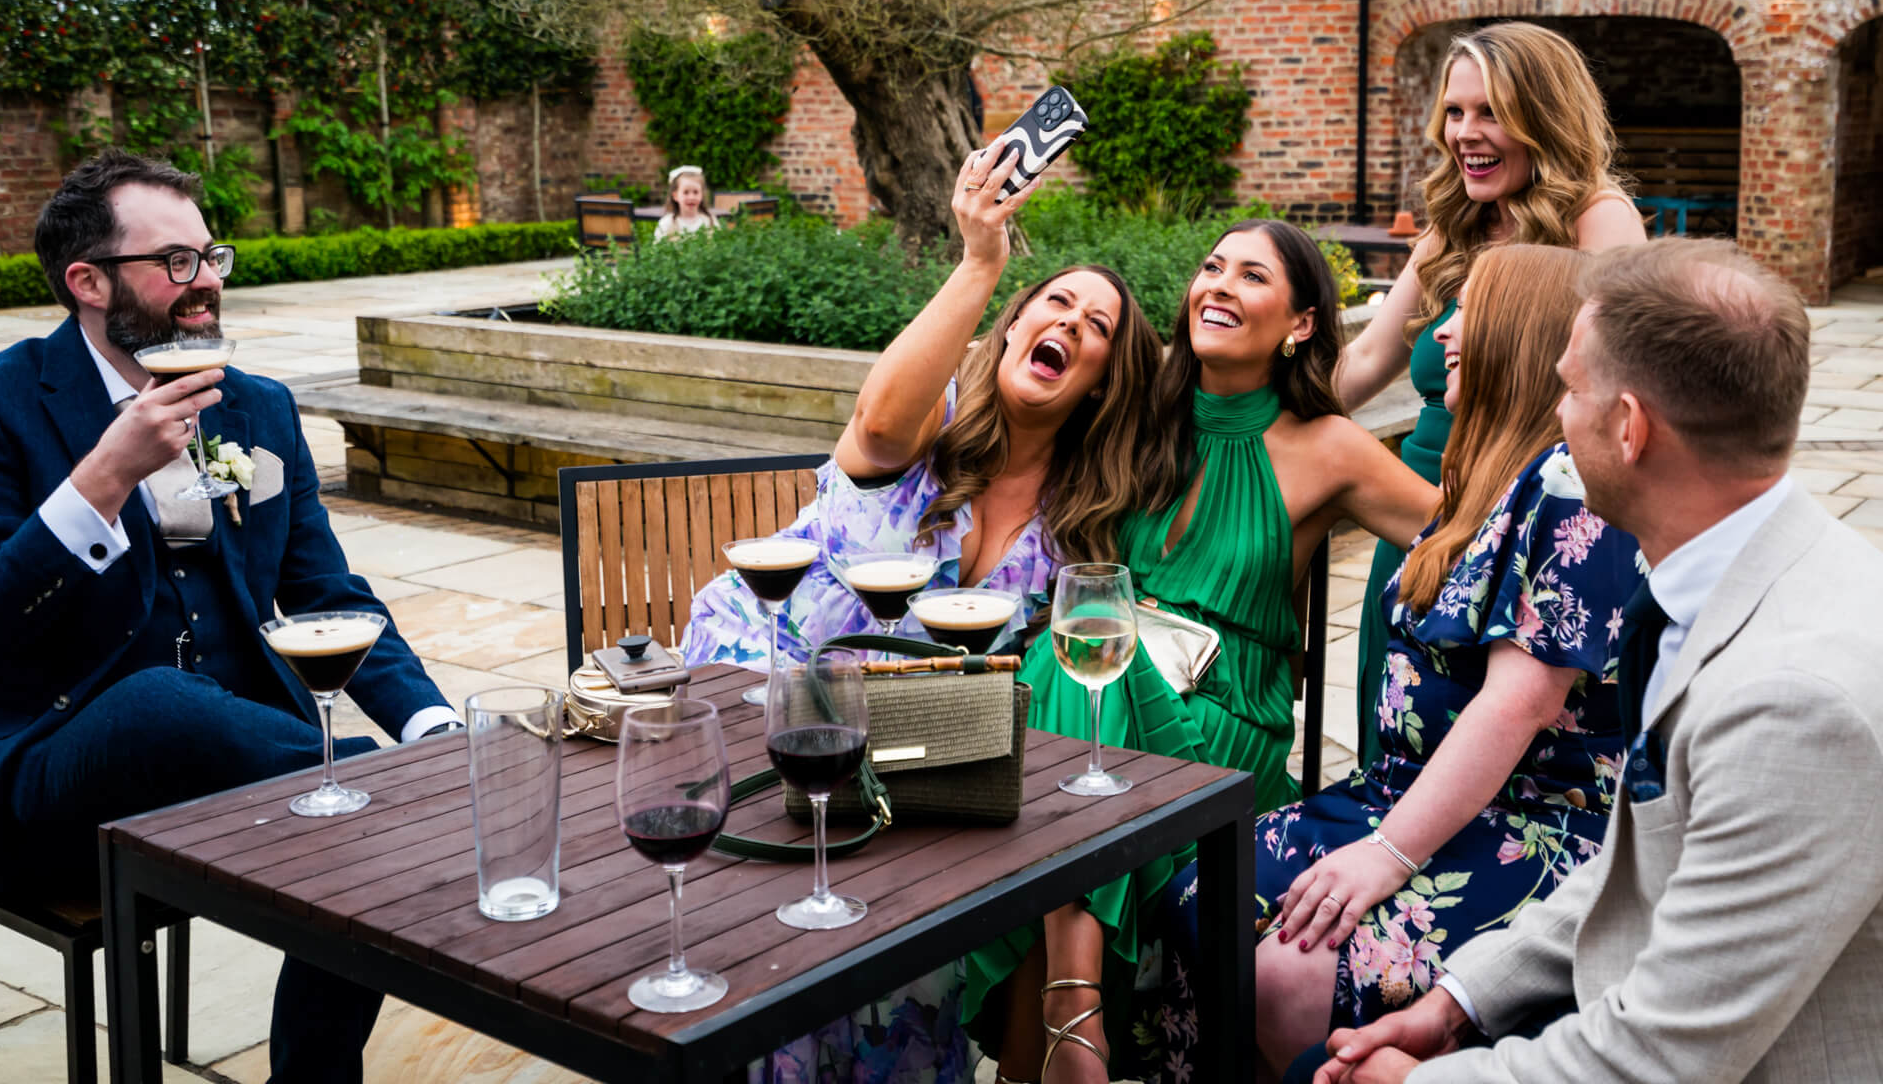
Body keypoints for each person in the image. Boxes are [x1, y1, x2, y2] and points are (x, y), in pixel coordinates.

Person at [1319, 238, 1883, 1084]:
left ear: (1629, 428)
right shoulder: (1717, 573)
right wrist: (1461, 999)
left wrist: (1415, 1083)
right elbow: (1643, 858)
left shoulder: (1795, 706)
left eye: (1570, 389)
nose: (1557, 413)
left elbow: (1663, 1053)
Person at [0, 151, 460, 1083]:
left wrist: (430, 724)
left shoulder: (257, 407)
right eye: (176, 262)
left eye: (211, 256)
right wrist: (104, 476)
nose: (207, 282)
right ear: (88, 282)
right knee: (161, 702)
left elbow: (328, 594)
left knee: (364, 834)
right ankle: (384, 785)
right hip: (58, 768)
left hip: (246, 762)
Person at [682, 143, 1165, 1083]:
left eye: (1097, 324)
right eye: (1054, 303)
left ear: (1103, 378)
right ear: (1011, 327)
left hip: (905, 760)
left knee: (903, 963)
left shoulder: (1080, 523)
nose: (1069, 321)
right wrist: (981, 260)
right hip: (760, 700)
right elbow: (873, 426)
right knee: (770, 954)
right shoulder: (927, 422)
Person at [1151, 244, 1643, 1082]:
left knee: (1289, 973)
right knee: (1200, 895)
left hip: (1531, 823)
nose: (1442, 334)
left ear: (1520, 337)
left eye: (1467, 314)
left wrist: (1387, 854)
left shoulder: (1569, 489)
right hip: (1401, 790)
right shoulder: (1487, 476)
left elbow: (1517, 704)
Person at [965, 220, 1440, 1084]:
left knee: (1081, 670)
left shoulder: (1328, 447)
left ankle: (1066, 1019)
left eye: (1251, 276)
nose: (1217, 284)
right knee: (1083, 667)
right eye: (1212, 267)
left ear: (1300, 322)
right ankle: (1075, 1012)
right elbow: (1012, 388)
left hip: (1225, 728)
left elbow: (1473, 547)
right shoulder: (1139, 413)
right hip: (1098, 695)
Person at [1334, 22, 1647, 767]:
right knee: (1395, 722)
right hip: (1419, 506)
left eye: (1490, 112)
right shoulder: (1454, 225)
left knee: (1496, 741)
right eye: (1454, 111)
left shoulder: (1598, 220)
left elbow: (1626, 378)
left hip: (1525, 514)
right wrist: (1253, 405)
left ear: (1544, 116)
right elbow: (1368, 357)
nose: (1464, 134)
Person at [653, 164, 720, 240]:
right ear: (675, 196)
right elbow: (658, 245)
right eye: (686, 192)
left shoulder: (710, 221)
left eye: (696, 192)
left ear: (702, 194)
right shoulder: (666, 223)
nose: (691, 197)